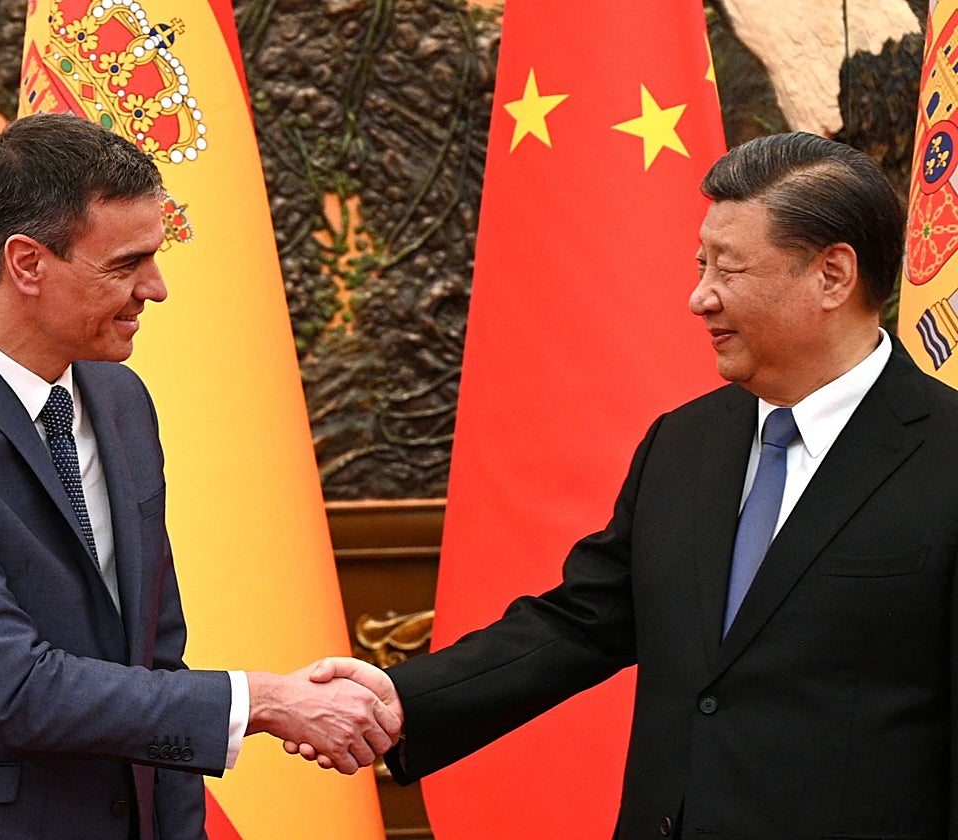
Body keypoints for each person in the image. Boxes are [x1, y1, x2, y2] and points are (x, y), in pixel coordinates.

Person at [299, 132, 958, 837]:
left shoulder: (943, 456)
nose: (699, 297)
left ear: (832, 275)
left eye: (728, 269)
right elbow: (583, 622)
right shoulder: (685, 443)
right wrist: (403, 699)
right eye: (701, 264)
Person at [0, 112, 399, 840]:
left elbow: (156, 659)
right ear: (27, 263)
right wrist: (267, 701)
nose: (154, 290)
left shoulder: (121, 401)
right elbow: (14, 688)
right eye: (125, 265)